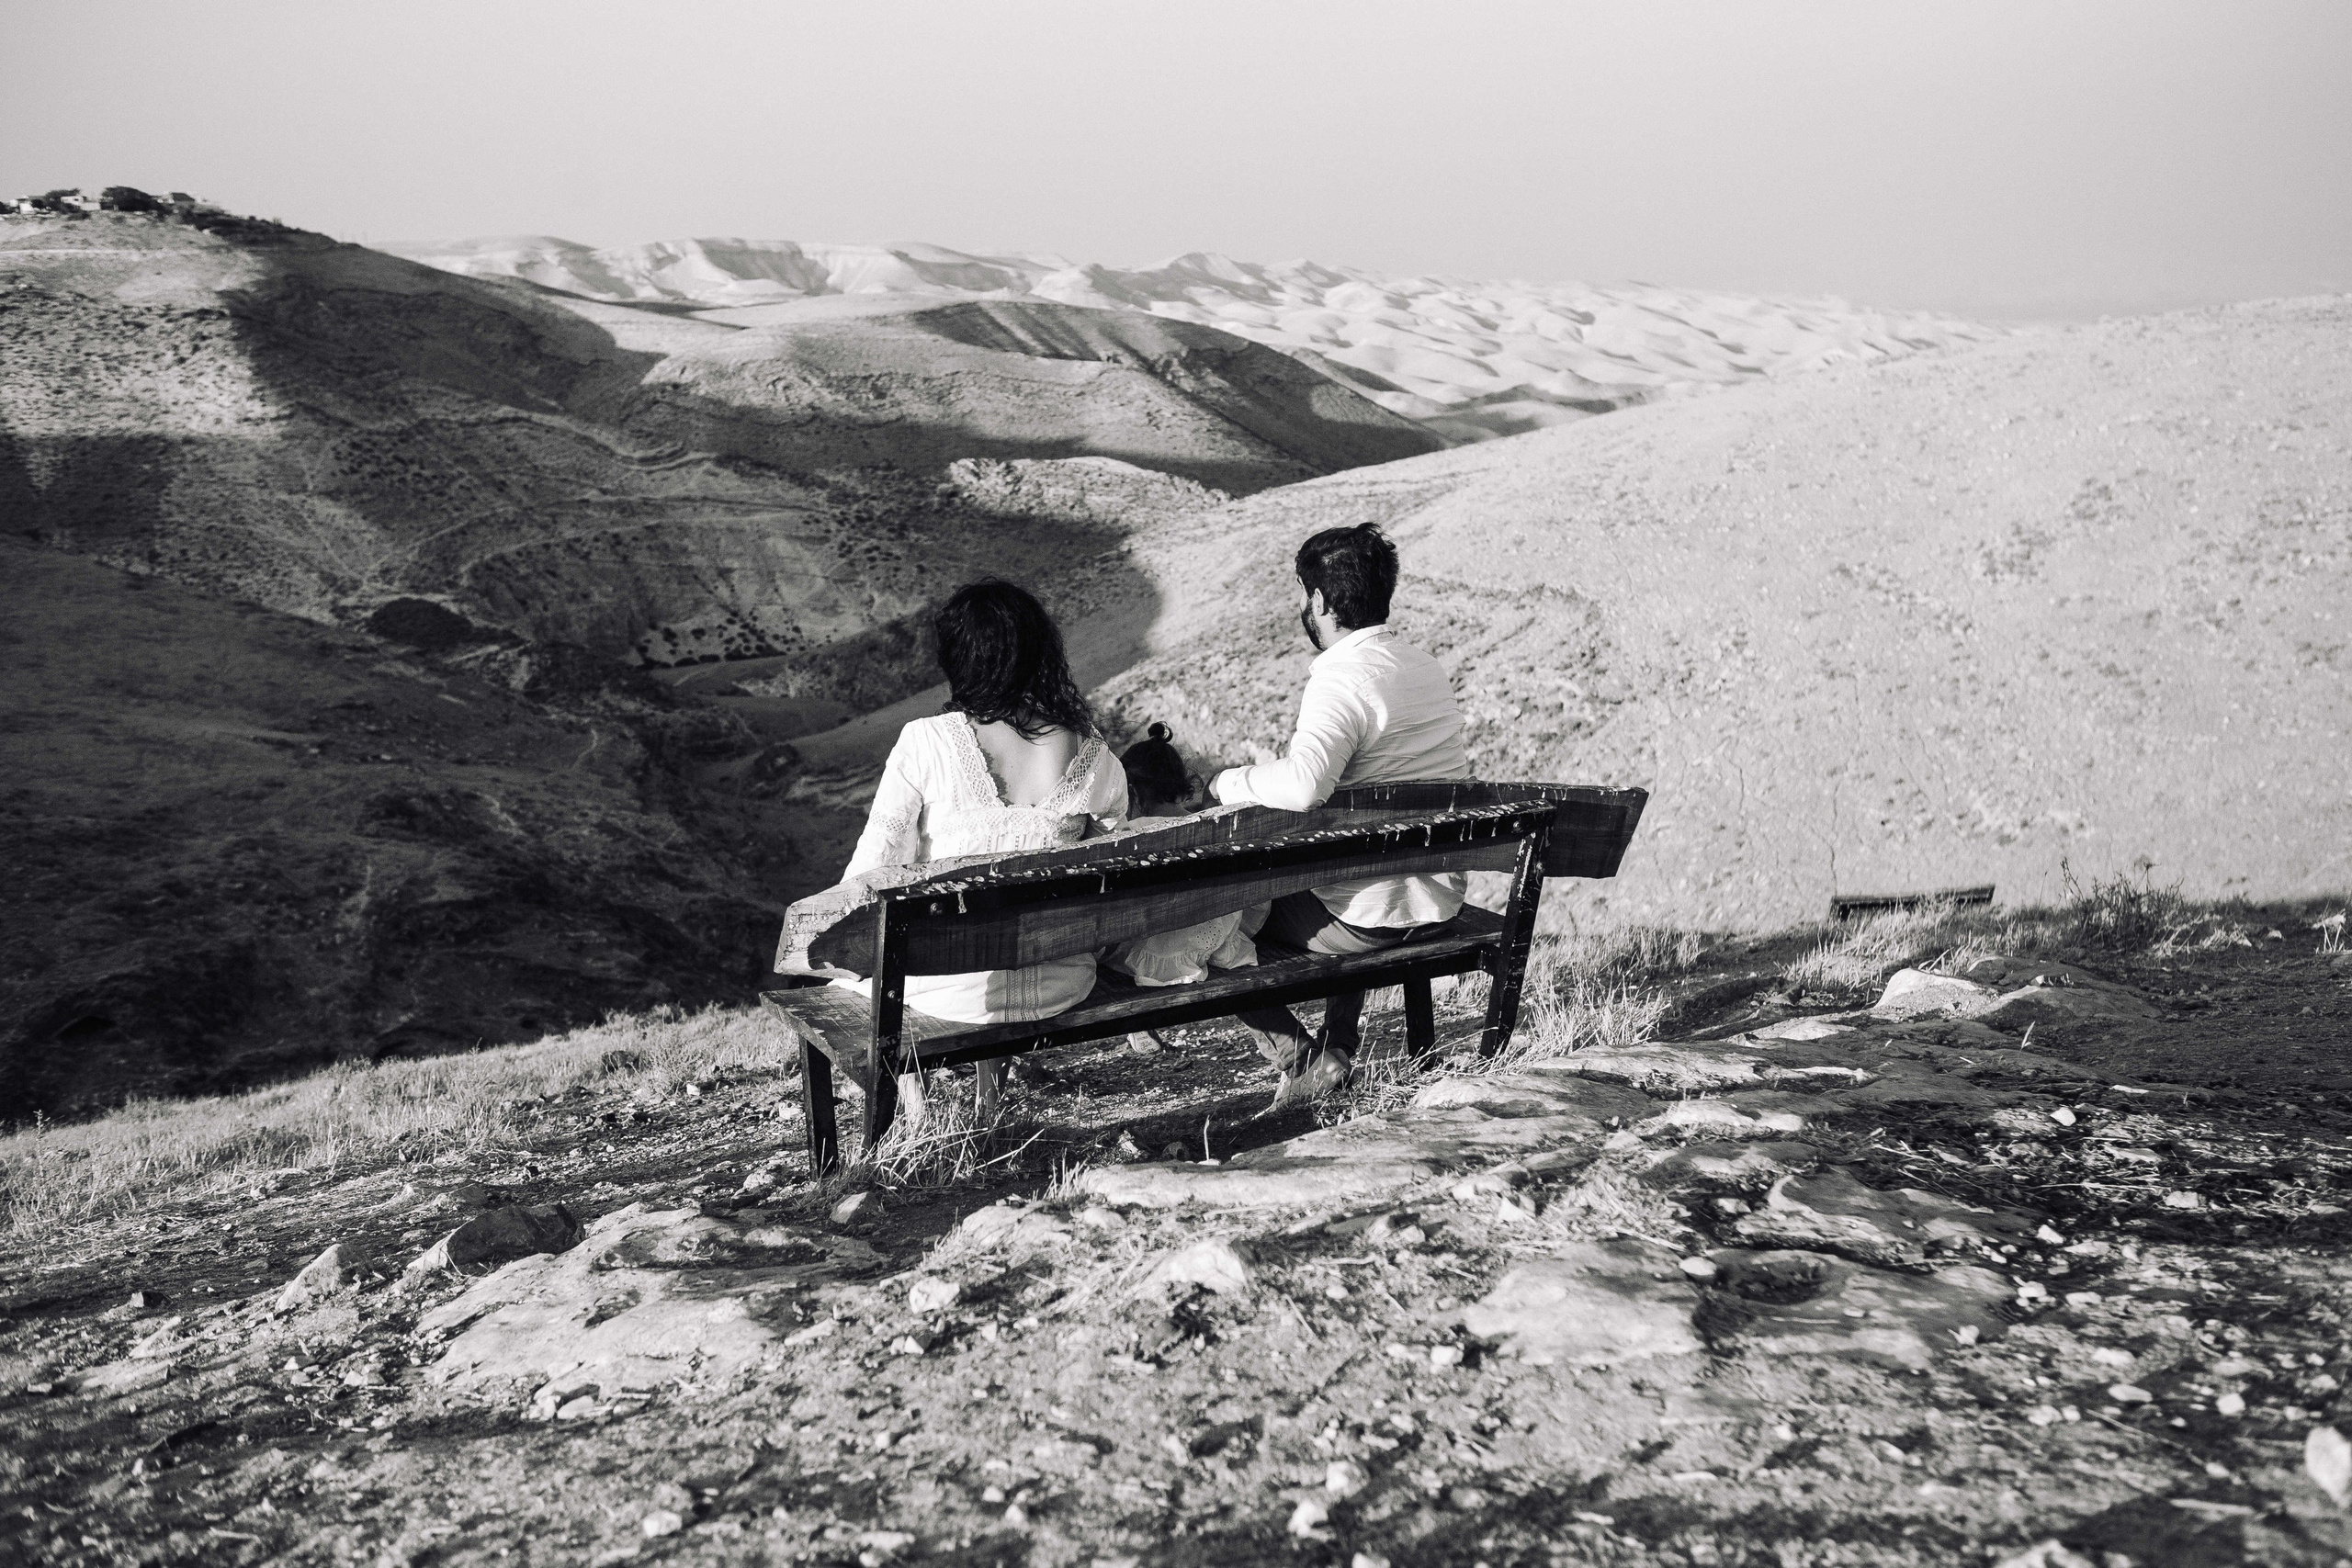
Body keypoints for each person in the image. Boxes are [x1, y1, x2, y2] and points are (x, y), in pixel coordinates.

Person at [1208, 523, 1473, 1103]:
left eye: (1307, 595)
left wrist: (1226, 782)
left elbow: (1303, 786)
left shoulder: (1340, 677)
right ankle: (1340, 1048)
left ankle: (1301, 1059)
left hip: (1371, 920)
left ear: (1321, 601)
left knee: (1208, 929)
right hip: (1438, 900)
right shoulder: (1424, 666)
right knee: (1349, 872)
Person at [837, 580, 1127, 1024]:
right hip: (1061, 980)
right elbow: (1113, 857)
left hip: (947, 987)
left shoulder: (925, 741)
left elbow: (875, 865)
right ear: (1039, 653)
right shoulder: (1092, 752)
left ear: (960, 658)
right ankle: (988, 1094)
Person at [1103, 722, 1261, 990]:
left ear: (1134, 793)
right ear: (1181, 785)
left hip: (1150, 958)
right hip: (1214, 944)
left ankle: (1140, 1033)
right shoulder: (1215, 826)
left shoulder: (1133, 834)